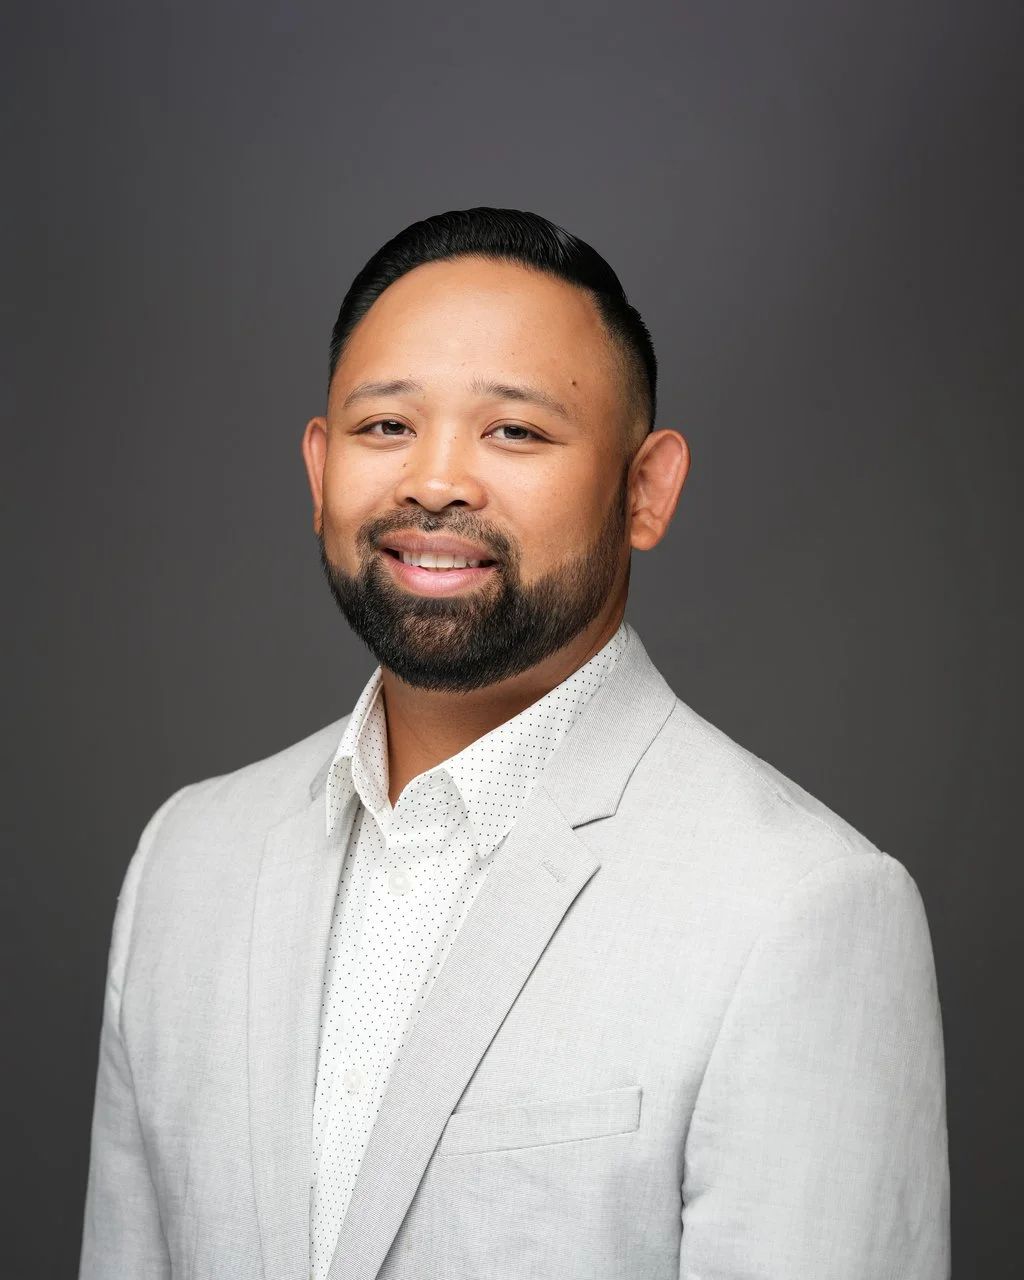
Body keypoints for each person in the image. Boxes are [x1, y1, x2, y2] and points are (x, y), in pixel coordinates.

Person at [79, 207, 951, 1280]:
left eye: (516, 432)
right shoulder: (187, 858)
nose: (434, 481)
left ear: (645, 488)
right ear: (318, 469)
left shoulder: (803, 906)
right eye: (385, 426)